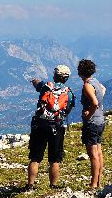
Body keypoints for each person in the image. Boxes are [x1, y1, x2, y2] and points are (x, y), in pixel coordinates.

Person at [26, 65, 75, 189]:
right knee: (55, 159)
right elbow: (67, 110)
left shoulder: (46, 86)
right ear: (67, 78)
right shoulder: (68, 93)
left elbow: (37, 84)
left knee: (35, 157)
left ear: (54, 76)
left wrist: (34, 80)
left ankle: (30, 185)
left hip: (40, 125)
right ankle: (53, 185)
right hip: (57, 127)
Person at [78, 59, 106, 188]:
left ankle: (93, 184)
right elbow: (103, 90)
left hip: (92, 122)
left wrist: (89, 114)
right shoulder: (96, 82)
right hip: (100, 120)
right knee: (99, 152)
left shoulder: (87, 85)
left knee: (93, 154)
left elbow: (94, 103)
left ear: (80, 72)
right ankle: (98, 181)